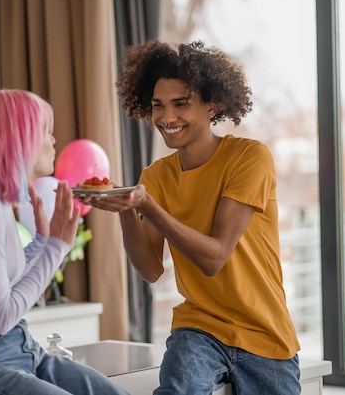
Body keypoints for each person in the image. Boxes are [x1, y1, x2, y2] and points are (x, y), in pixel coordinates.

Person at [82, 41, 301, 395]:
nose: (167, 117)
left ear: (210, 104)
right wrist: (127, 210)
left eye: (180, 104)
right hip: (199, 329)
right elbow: (151, 270)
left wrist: (148, 206)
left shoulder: (249, 158)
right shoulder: (155, 176)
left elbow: (214, 257)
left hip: (265, 331)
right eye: (158, 106)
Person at [0, 89, 130, 395]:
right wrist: (56, 248)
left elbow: (5, 283)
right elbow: (2, 317)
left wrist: (43, 242)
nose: (53, 140)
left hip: (21, 350)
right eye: (45, 131)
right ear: (17, 137)